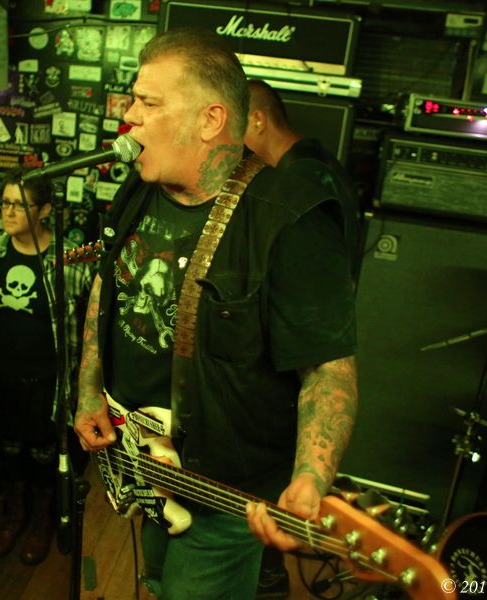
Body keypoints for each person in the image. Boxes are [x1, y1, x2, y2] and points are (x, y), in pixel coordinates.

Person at [73, 27, 358, 599]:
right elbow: (109, 283)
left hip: (225, 490)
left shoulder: (291, 221)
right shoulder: (141, 186)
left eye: (149, 103)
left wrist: (310, 477)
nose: (129, 116)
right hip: (142, 456)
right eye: (133, 100)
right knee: (158, 581)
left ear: (210, 120)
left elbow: (329, 369)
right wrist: (89, 389)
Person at [244, 78, 363, 598]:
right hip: (303, 348)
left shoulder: (301, 181)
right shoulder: (319, 164)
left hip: (297, 365)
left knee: (270, 523)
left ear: (256, 120)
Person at [0, 167, 92, 564]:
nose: (8, 212)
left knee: (44, 453)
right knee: (9, 449)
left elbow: (90, 327)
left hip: (46, 381)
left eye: (20, 205)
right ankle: (13, 516)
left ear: (44, 210)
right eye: (5, 203)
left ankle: (40, 523)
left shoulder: (70, 257)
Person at [244, 78, 361, 282]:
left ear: (257, 121)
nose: (229, 139)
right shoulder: (313, 162)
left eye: (234, 126)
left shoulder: (302, 176)